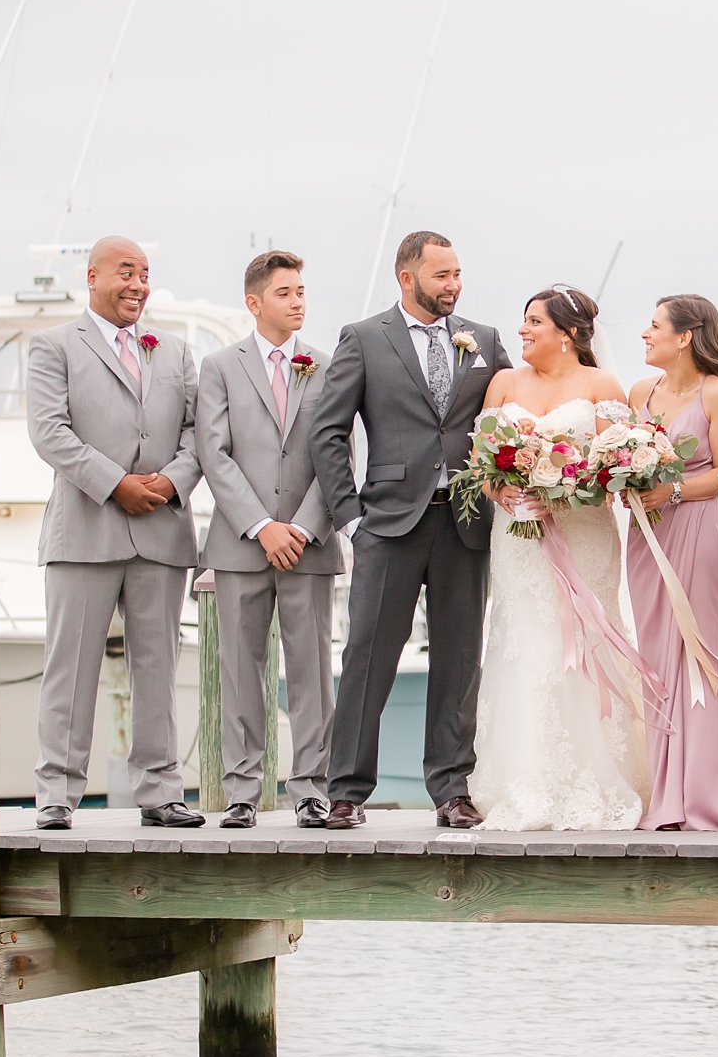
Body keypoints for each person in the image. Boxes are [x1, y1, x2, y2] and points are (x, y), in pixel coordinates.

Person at [310, 230, 511, 828]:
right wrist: (350, 518)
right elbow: (329, 432)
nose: (454, 285)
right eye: (442, 275)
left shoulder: (485, 341)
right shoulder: (365, 339)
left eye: (457, 274)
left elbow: (509, 417)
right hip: (388, 522)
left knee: (459, 659)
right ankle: (345, 790)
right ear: (407, 278)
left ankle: (451, 789)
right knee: (369, 655)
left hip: (466, 523)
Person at [28, 234, 205, 829]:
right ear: (94, 276)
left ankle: (160, 790)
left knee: (157, 665)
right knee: (69, 667)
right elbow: (50, 432)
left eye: (146, 273)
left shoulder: (175, 352)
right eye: (125, 272)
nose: (137, 284)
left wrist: (170, 483)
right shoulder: (54, 347)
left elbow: (196, 432)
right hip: (84, 531)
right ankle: (57, 792)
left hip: (161, 530)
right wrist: (116, 484)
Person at [467, 287, 649, 831]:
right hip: (518, 537)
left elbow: (616, 469)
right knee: (524, 640)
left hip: (583, 534)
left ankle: (597, 774)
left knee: (583, 642)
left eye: (533, 323)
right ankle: (524, 780)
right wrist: (504, 491)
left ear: (566, 335)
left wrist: (562, 488)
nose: (522, 331)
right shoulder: (505, 383)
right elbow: (480, 456)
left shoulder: (601, 387)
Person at [195, 250, 344, 829]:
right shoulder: (219, 367)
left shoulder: (327, 365)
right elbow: (214, 453)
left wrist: (303, 527)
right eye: (285, 292)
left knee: (311, 671)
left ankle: (311, 787)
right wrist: (262, 526)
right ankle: (242, 791)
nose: (298, 300)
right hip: (241, 544)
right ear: (254, 303)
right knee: (240, 669)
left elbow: (334, 452)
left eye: (301, 290)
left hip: (308, 545)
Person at [626, 295, 718, 830]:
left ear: (685, 337)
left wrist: (671, 490)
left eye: (654, 326)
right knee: (655, 654)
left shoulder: (716, 392)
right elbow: (624, 460)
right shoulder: (639, 393)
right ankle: (663, 794)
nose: (644, 334)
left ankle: (699, 795)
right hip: (644, 534)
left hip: (695, 529)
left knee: (695, 653)